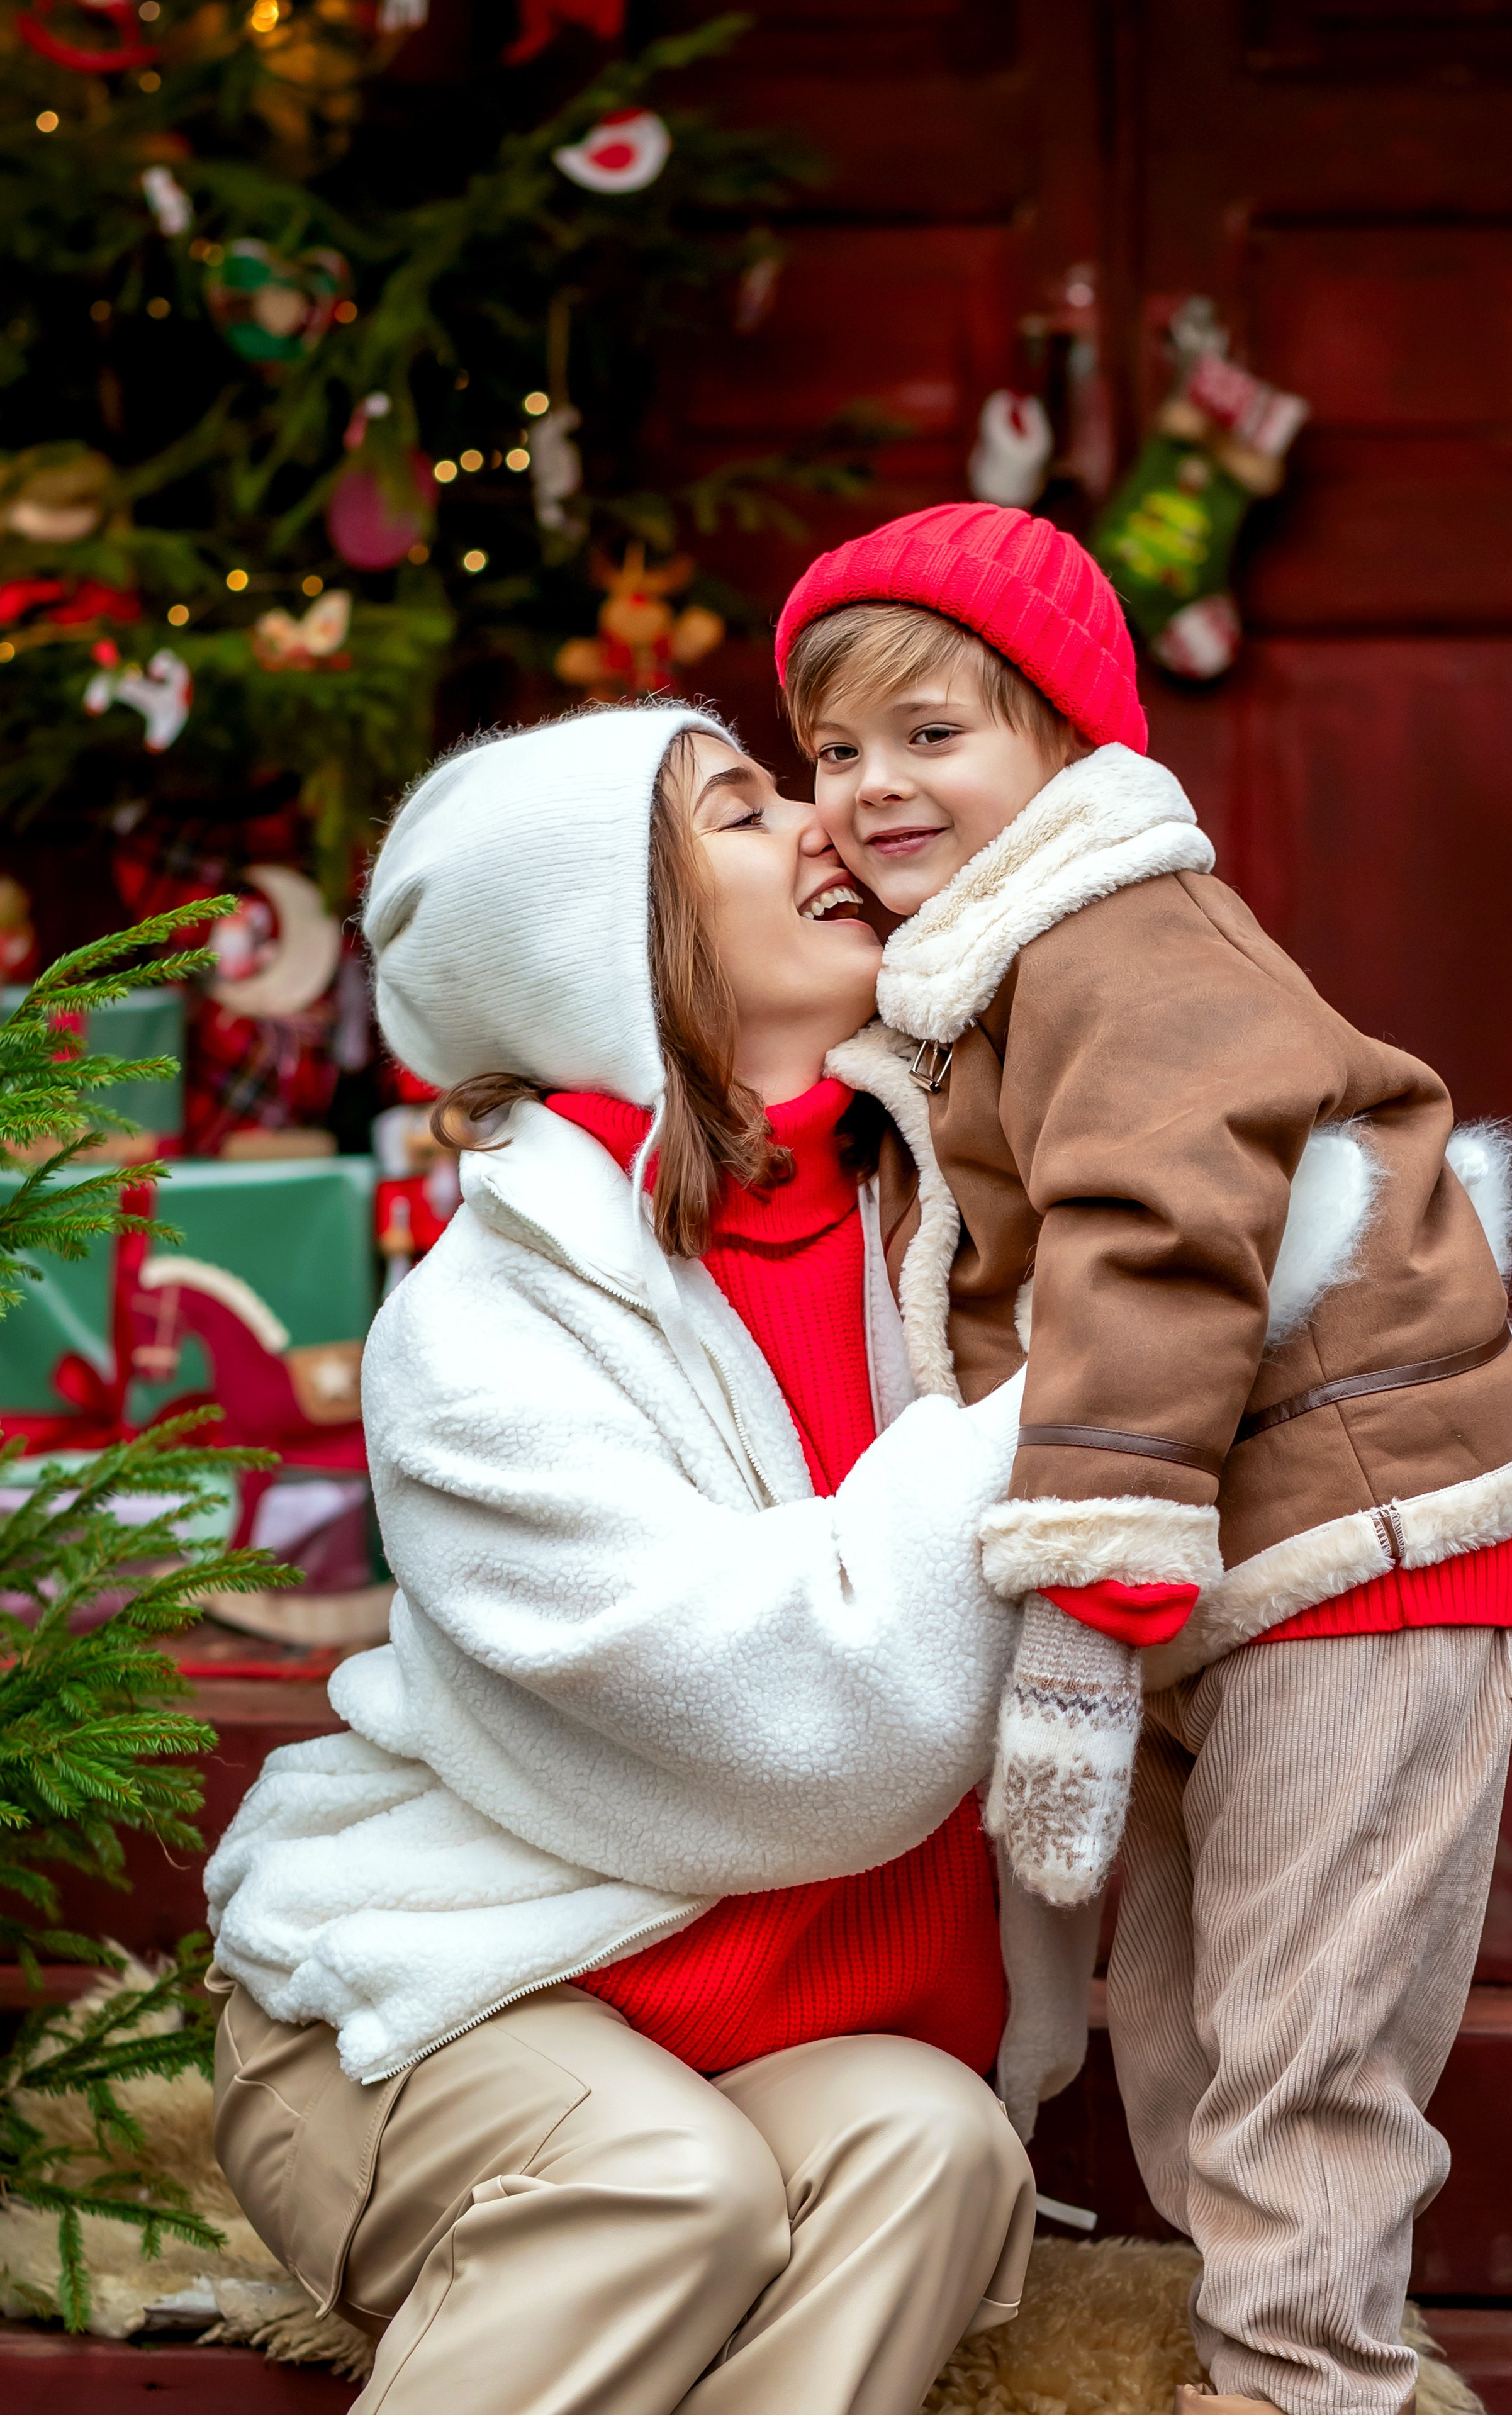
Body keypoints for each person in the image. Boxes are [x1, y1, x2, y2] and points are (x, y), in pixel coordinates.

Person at [206, 701, 1097, 2415]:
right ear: (609, 938)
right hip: (423, 2018)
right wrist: (1088, 1377)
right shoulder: (482, 1330)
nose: (828, 825)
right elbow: (803, 1714)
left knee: (935, 2146)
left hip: (757, 2041)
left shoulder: (935, 1218)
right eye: (747, 812)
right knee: (661, 2185)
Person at [775, 501, 1512, 2415]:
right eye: (837, 750)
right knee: (1197, 2049)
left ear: (1067, 746)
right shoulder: (977, 971)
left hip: (1359, 1540)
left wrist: (1082, 1608)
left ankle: (1304, 2384)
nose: (876, 787)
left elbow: (1154, 1241)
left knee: (1305, 2039)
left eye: (934, 735)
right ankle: (1269, 2349)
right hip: (1230, 1552)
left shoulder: (1124, 933)